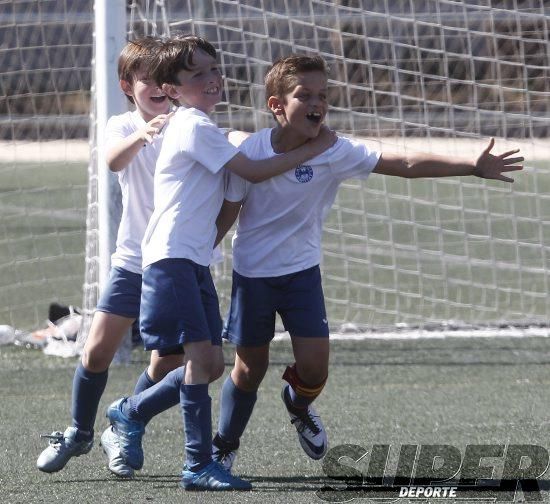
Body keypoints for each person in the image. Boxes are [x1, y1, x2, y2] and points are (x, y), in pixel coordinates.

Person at [210, 54, 524, 472]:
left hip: (301, 274)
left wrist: (471, 166)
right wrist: (196, 256)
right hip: (253, 277)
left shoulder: (335, 150)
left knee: (315, 367)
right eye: (305, 95)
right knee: (249, 370)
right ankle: (224, 446)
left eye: (324, 95)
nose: (317, 103)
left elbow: (405, 163)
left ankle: (298, 404)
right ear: (277, 106)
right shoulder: (250, 153)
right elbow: (226, 214)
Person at [103, 36, 337, 491]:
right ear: (172, 89)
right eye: (197, 75)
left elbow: (235, 174)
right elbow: (251, 171)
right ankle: (197, 465)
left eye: (214, 69)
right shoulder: (191, 125)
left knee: (209, 365)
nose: (212, 79)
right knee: (196, 361)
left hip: (194, 259)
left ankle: (129, 412)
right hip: (171, 257)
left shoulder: (201, 126)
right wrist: (315, 147)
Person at [36, 36, 183, 479]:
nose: (158, 87)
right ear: (127, 84)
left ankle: (127, 418)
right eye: (147, 80)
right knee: (97, 351)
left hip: (177, 262)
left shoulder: (188, 124)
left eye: (167, 80)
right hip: (133, 260)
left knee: (168, 364)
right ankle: (79, 432)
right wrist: (144, 132)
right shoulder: (122, 126)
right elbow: (114, 162)